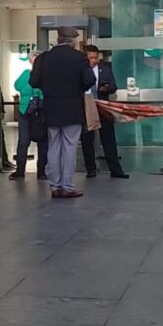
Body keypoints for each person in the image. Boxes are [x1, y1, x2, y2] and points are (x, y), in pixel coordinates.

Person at [30, 27, 95, 198]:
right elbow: (89, 80)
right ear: (72, 41)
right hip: (72, 108)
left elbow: (33, 81)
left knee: (53, 146)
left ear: (58, 39)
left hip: (51, 108)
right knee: (69, 147)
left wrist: (49, 87)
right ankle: (67, 186)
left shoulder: (43, 58)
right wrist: (77, 88)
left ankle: (55, 186)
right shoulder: (79, 57)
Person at [81, 45, 129, 179]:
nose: (94, 60)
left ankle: (115, 169)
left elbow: (114, 86)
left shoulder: (105, 70)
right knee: (87, 139)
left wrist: (106, 88)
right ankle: (91, 169)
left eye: (95, 57)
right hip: (87, 107)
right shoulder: (81, 71)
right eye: (91, 58)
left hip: (103, 107)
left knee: (108, 139)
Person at [9, 51, 47, 181]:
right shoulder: (27, 73)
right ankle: (20, 171)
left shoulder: (45, 75)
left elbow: (44, 92)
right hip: (25, 111)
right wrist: (33, 88)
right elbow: (17, 86)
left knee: (42, 141)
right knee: (24, 141)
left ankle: (41, 171)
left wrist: (31, 88)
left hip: (40, 111)